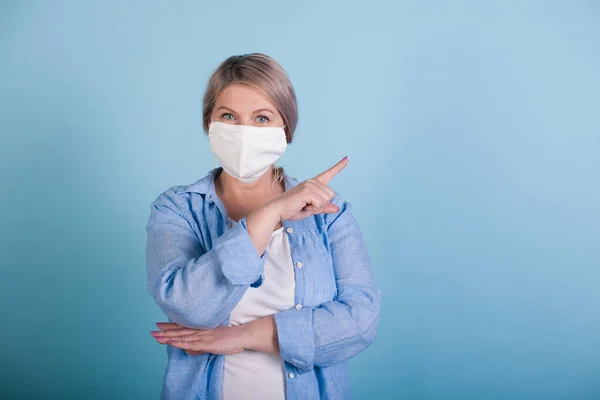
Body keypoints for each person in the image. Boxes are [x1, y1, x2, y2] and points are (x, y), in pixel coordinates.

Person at [145, 53, 383, 400]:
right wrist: (267, 215)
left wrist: (242, 336)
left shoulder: (329, 213)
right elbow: (188, 306)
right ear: (208, 124)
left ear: (285, 128)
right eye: (229, 116)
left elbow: (360, 321)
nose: (244, 133)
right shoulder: (178, 209)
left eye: (261, 118)